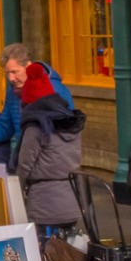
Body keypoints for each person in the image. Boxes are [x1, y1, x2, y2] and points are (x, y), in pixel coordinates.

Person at [14, 62, 85, 232]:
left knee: (46, 252)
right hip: (71, 197)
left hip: (44, 202)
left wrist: (16, 192)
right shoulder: (72, 124)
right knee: (68, 249)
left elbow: (25, 165)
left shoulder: (35, 128)